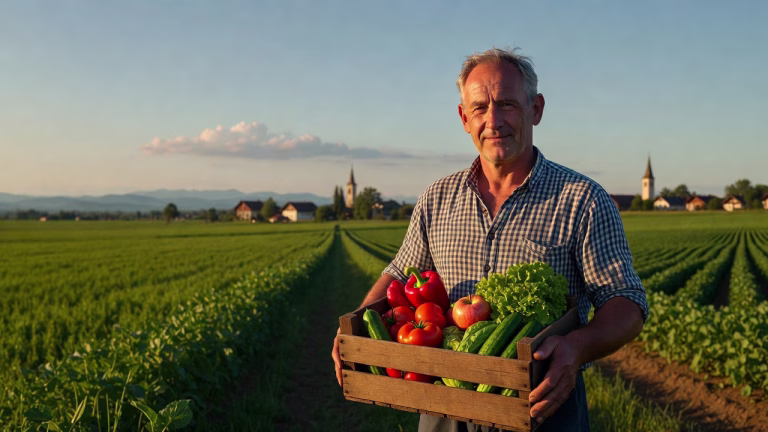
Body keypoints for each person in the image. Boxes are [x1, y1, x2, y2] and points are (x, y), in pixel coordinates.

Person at [331, 47, 648, 432]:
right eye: (479, 108)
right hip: (444, 402)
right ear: (464, 118)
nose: (493, 121)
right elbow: (400, 272)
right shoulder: (437, 198)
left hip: (540, 406)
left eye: (508, 104)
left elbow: (626, 302)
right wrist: (359, 325)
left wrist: (577, 346)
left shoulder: (582, 199)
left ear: (536, 109)